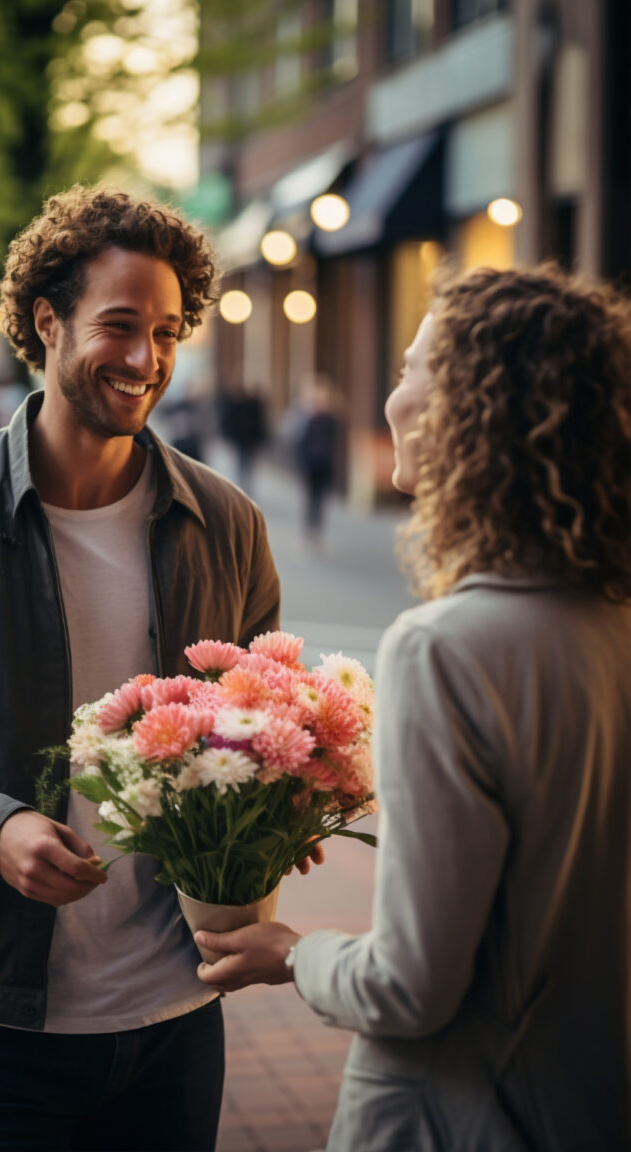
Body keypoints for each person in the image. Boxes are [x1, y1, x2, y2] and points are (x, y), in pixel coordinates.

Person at [0, 184, 282, 1152]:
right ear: (46, 322)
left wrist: (279, 815)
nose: (146, 360)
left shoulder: (227, 524)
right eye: (120, 326)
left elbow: (264, 721)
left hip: (178, 1018)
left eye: (167, 332)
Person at [196, 264, 631, 1151]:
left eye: (408, 370)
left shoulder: (446, 649)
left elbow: (409, 986)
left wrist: (293, 954)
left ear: (471, 412)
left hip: (463, 1113)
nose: (392, 398)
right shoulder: (612, 621)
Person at [292, 374, 339, 549]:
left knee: (319, 500)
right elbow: (297, 440)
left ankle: (317, 532)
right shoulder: (305, 417)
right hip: (309, 464)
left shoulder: (329, 419)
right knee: (309, 499)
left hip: (323, 464)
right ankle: (308, 532)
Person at [218, 378, 267, 495]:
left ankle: (244, 486)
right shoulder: (236, 403)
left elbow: (259, 423)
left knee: (246, 462)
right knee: (242, 462)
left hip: (248, 438)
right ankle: (242, 486)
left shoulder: (252, 404)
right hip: (242, 438)